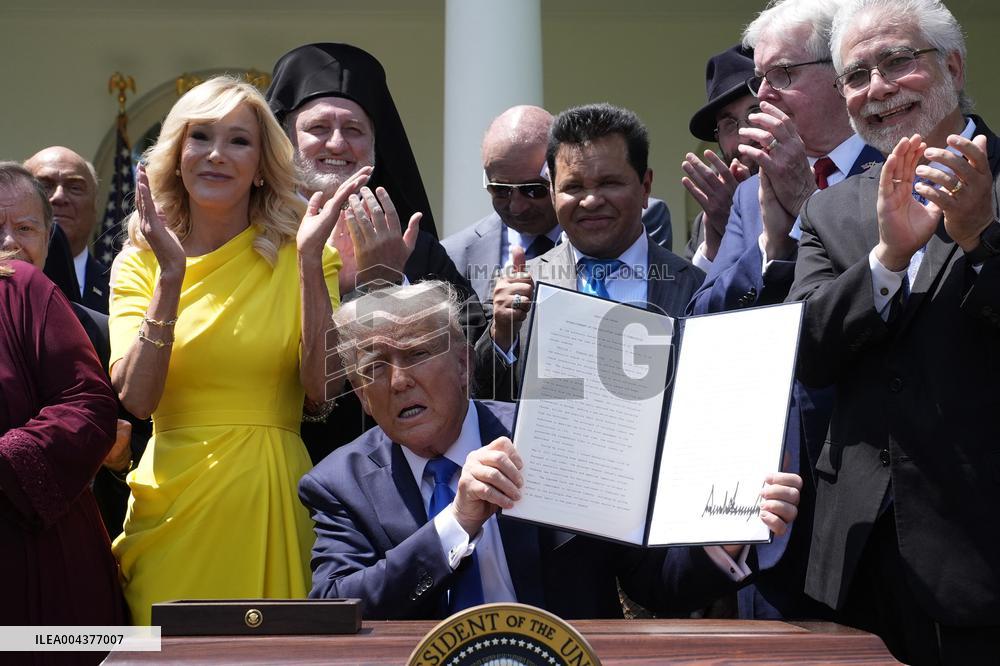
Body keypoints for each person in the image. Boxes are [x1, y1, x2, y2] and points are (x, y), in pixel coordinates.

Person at [300, 280, 803, 620]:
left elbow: (654, 584)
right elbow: (338, 606)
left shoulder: (554, 435)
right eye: (374, 367)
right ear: (359, 393)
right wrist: (457, 522)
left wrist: (727, 534)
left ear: (463, 365)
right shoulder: (340, 482)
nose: (397, 381)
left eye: (416, 354)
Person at [109, 76, 364, 624]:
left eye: (239, 141)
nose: (217, 155)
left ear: (261, 165)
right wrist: (171, 277)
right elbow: (136, 398)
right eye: (200, 136)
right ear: (177, 155)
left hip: (273, 497)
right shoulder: (140, 261)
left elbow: (323, 392)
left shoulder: (306, 252)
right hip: (171, 509)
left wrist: (309, 264)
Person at [789, 0, 1000, 662]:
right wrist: (886, 260)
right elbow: (804, 354)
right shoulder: (830, 210)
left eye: (896, 62)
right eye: (856, 75)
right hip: (857, 561)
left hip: (983, 552)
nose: (876, 89)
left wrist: (980, 240)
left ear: (953, 67)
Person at [266, 42, 485, 460]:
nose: (337, 144)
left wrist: (390, 284)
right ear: (286, 140)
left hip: (396, 467)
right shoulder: (255, 240)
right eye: (318, 128)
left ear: (374, 144)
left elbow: (469, 355)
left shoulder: (413, 245)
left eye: (354, 129)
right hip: (279, 457)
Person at [474, 103, 704, 402]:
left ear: (645, 186)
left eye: (609, 183)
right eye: (574, 187)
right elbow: (485, 402)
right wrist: (502, 336)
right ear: (553, 193)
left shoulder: (695, 289)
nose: (591, 201)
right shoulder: (519, 288)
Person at [0, 162, 127, 644]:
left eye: (24, 228)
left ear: (49, 236)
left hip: (34, 546)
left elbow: (88, 405)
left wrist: (8, 463)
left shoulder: (22, 289)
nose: (9, 243)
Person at [443, 105, 673, 305]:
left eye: (533, 189)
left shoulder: (632, 218)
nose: (517, 207)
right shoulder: (455, 254)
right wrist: (502, 332)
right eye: (501, 190)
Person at [682, 45, 759, 264]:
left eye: (756, 113)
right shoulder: (707, 219)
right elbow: (696, 285)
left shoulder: (812, 191)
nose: (744, 137)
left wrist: (740, 225)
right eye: (729, 124)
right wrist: (713, 249)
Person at [26, 146, 110, 313]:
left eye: (75, 188)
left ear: (95, 206)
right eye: (44, 186)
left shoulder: (120, 287)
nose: (59, 197)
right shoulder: (5, 281)